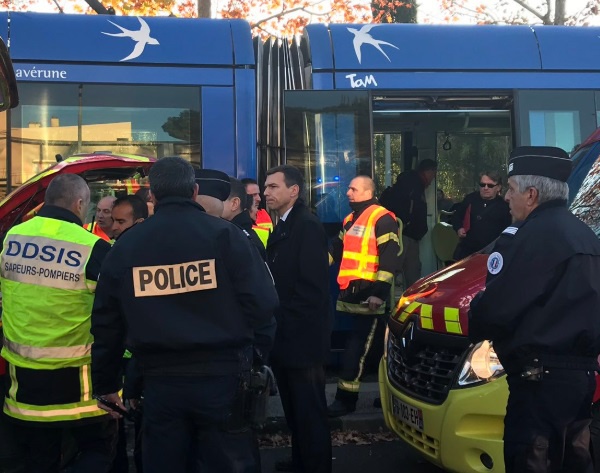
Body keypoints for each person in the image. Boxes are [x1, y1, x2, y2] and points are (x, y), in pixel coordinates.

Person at [91, 157, 278, 473]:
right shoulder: (227, 236)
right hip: (223, 378)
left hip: (160, 385)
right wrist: (256, 355)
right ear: (194, 191)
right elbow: (263, 304)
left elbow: (107, 321)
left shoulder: (126, 247)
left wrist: (106, 383)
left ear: (152, 197)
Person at [468, 146, 600, 473]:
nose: (505, 198)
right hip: (581, 379)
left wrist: (476, 312)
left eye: (510, 190)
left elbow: (495, 310)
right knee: (575, 461)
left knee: (531, 460)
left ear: (531, 194)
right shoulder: (586, 236)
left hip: (538, 383)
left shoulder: (529, 238)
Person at [0, 173, 116, 472]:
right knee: (97, 452)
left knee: (39, 460)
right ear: (79, 204)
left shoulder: (13, 237)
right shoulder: (93, 248)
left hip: (23, 385)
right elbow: (112, 315)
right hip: (78, 388)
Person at [264, 165, 332, 473]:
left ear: (294, 191)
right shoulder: (284, 225)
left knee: (309, 412)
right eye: (266, 187)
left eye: (274, 187)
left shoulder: (307, 226)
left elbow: (312, 288)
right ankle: (301, 462)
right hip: (288, 339)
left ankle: (314, 466)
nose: (267, 193)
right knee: (295, 412)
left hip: (301, 340)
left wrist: (285, 325)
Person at [327, 176, 400, 418]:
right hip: (353, 295)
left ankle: (345, 399)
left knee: (355, 348)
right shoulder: (350, 219)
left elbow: (390, 259)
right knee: (379, 349)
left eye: (353, 189)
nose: (348, 192)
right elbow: (336, 252)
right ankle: (390, 396)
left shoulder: (382, 218)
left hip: (370, 298)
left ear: (368, 192)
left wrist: (379, 294)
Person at [379, 159, 437, 288]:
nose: (432, 179)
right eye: (433, 174)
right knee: (406, 270)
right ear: (428, 172)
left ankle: (390, 301)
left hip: (407, 233)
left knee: (408, 270)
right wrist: (406, 224)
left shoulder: (411, 184)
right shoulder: (413, 185)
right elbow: (408, 208)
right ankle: (397, 301)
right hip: (405, 234)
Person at [451, 171, 511, 260]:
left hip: (491, 255)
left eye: (490, 185)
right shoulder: (470, 199)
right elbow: (456, 216)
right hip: (467, 253)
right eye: (482, 185)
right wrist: (459, 228)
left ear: (498, 187)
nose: (485, 188)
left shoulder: (504, 206)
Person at [223, 177, 266, 260]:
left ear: (235, 203)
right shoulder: (235, 232)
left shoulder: (240, 240)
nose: (259, 199)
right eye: (253, 195)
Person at [242, 177, 273, 247]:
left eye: (258, 194)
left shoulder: (264, 214)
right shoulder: (237, 218)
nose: (259, 198)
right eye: (253, 195)